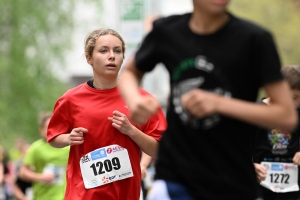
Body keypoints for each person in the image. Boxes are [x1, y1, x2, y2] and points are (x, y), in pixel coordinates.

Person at [118, 0, 298, 199]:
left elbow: (286, 115)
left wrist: (219, 104)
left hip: (232, 179)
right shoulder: (167, 31)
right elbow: (131, 72)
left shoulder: (254, 39)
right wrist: (134, 99)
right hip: (175, 176)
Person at [46, 28, 167, 200]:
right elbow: (53, 138)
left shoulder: (140, 99)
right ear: (89, 58)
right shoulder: (70, 99)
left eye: (117, 51)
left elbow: (159, 149)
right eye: (103, 50)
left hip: (124, 194)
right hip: (81, 194)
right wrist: (68, 138)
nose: (112, 56)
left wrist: (131, 130)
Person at [253, 65, 300, 200]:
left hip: (293, 190)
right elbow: (239, 147)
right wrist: (252, 166)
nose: (297, 103)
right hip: (260, 189)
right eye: (294, 97)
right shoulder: (256, 113)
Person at [19, 112, 69, 200]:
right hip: (43, 197)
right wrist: (40, 177)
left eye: (54, 125)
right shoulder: (36, 147)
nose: (52, 129)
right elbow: (23, 172)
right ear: (41, 130)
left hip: (65, 196)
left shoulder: (67, 146)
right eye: (48, 127)